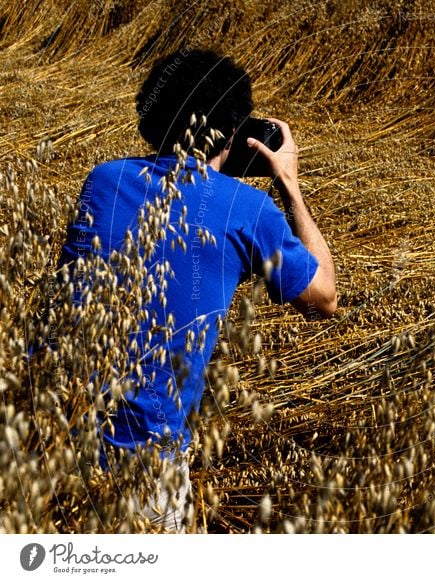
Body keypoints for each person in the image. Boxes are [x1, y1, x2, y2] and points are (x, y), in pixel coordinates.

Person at [56, 49, 336, 531]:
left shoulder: (103, 179)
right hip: (143, 461)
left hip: (51, 438)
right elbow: (325, 295)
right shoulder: (246, 209)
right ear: (234, 131)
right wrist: (288, 182)